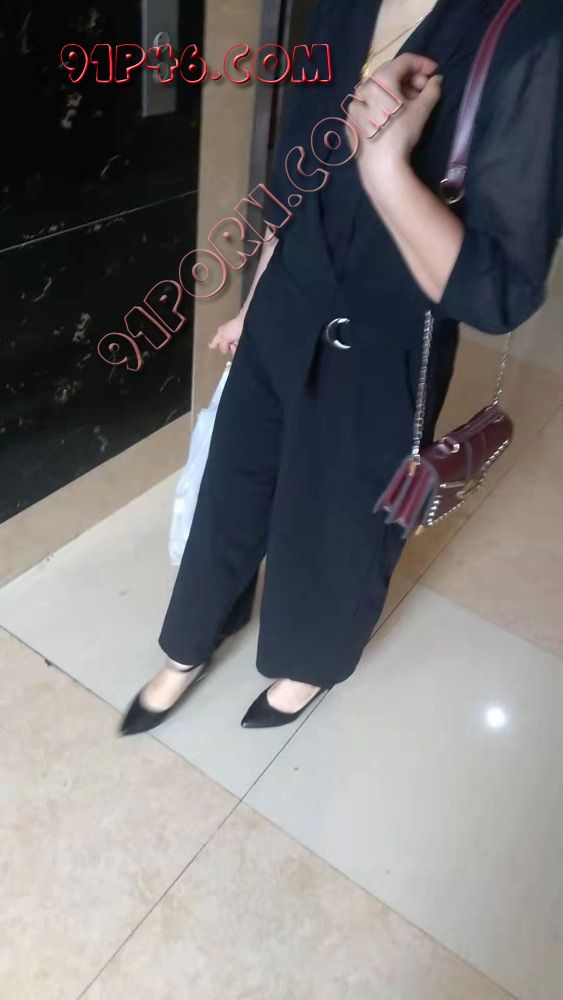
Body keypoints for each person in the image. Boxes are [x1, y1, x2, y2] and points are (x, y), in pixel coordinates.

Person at [121, 0, 563, 734]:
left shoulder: (533, 31)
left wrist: (386, 168)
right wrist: (253, 300)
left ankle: (308, 663)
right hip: (287, 297)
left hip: (387, 330)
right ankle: (189, 643)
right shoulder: (343, 6)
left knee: (338, 515)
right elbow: (295, 175)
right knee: (233, 481)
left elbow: (495, 294)